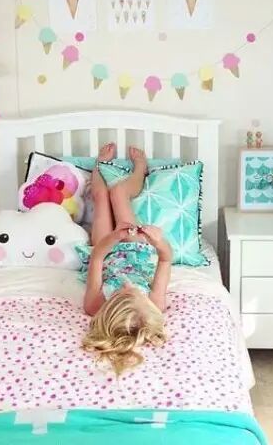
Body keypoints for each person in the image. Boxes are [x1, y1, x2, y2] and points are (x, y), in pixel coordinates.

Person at [80, 143, 172, 375]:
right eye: (134, 291)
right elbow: (165, 260)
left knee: (101, 197)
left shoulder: (94, 305)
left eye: (120, 293)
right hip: (136, 248)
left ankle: (99, 166)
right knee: (119, 193)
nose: (127, 284)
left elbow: (97, 258)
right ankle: (140, 168)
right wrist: (158, 240)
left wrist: (113, 237)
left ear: (109, 308)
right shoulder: (155, 304)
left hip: (106, 251)